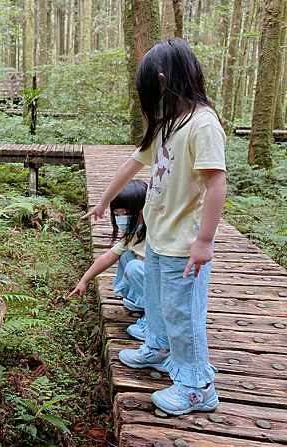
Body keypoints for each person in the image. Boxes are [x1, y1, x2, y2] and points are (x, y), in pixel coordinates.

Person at [85, 39, 226, 415]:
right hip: (160, 241)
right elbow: (131, 166)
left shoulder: (203, 125)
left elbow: (216, 184)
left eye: (149, 90)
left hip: (185, 245)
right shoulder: (168, 126)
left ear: (162, 82)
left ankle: (198, 386)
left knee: (184, 316)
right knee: (161, 308)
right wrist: (102, 203)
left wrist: (205, 241)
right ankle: (160, 349)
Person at [69, 181, 149, 341]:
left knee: (134, 266)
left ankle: (152, 319)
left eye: (125, 214)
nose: (121, 219)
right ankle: (140, 299)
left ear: (143, 211)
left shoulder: (155, 236)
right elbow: (107, 258)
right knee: (126, 256)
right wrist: (85, 279)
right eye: (117, 215)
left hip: (165, 293)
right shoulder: (133, 236)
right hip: (151, 283)